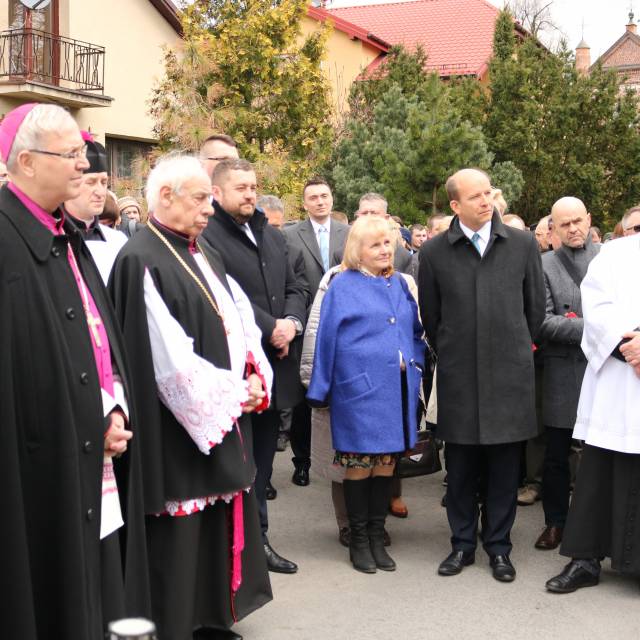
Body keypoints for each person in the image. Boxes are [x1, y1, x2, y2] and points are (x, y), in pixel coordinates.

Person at [109, 155, 273, 639]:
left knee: (216, 520)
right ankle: (177, 625)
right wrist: (231, 394)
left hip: (223, 406)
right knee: (181, 531)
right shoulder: (142, 256)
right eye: (200, 198)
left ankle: (211, 618)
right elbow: (167, 361)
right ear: (165, 197)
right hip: (178, 424)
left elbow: (236, 320)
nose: (209, 207)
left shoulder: (203, 250)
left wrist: (252, 372)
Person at [0, 103, 148, 638]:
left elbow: (98, 336)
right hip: (39, 460)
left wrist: (110, 406)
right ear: (26, 162)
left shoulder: (68, 234)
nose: (82, 164)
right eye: (69, 154)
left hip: (90, 446)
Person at [419, 168, 544, 582]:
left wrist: (510, 348)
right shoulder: (435, 252)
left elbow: (534, 313)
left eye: (488, 192)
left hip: (509, 376)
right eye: (474, 196)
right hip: (460, 378)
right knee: (461, 469)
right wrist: (456, 352)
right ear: (455, 205)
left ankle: (499, 547)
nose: (485, 201)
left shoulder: (522, 244)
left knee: (505, 470)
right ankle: (461, 545)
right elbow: (431, 318)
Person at [202, 159, 308, 575]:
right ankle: (237, 550)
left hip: (275, 369)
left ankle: (258, 542)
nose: (249, 194)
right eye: (240, 187)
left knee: (262, 466)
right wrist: (271, 330)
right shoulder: (208, 237)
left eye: (253, 186)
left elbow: (296, 285)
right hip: (239, 370)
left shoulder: (271, 235)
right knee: (239, 468)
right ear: (217, 192)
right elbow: (225, 296)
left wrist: (291, 324)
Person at [307, 216, 425, 573]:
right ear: (357, 250)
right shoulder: (341, 285)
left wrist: (414, 364)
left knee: (386, 466)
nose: (385, 249)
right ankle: (358, 539)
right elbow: (325, 338)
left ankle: (377, 534)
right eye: (375, 244)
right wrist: (320, 388)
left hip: (396, 394)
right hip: (357, 393)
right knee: (359, 468)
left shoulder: (401, 284)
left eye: (388, 243)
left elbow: (416, 332)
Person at [545, 231, 640, 594]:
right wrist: (629, 346)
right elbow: (596, 310)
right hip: (618, 382)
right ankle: (585, 559)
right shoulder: (615, 253)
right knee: (599, 471)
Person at [534, 197, 600, 551]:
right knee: (556, 454)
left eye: (578, 221)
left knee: (601, 454)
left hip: (605, 372)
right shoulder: (542, 265)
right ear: (552, 230)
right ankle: (555, 523)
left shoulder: (609, 260)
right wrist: (597, 330)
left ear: (589, 219)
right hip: (561, 372)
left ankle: (598, 525)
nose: (573, 229)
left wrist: (577, 326)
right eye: (564, 224)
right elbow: (541, 322)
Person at [282, 178, 349, 487]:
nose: (320, 201)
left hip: (341, 326)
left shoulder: (348, 234)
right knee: (303, 396)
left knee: (337, 395)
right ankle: (302, 461)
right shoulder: (289, 236)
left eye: (325, 195)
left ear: (332, 199)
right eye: (313, 197)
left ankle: (339, 457)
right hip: (305, 326)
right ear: (305, 203)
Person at [65, 134, 127, 284]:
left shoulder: (118, 240)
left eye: (104, 182)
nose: (100, 192)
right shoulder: (53, 239)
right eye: (91, 182)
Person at [355, 193, 413, 274]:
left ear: (386, 218)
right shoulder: (343, 253)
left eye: (373, 213)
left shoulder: (403, 256)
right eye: (364, 213)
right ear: (358, 217)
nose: (368, 217)